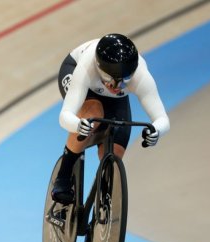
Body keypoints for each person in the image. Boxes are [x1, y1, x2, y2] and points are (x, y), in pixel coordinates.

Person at [52, 33, 170, 205]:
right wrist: (78, 124)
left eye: (124, 81)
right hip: (77, 74)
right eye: (111, 81)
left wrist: (156, 131)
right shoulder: (86, 67)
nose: (117, 87)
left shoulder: (140, 75)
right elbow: (65, 115)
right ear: (100, 69)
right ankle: (63, 176)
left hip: (114, 100)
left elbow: (161, 118)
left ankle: (103, 198)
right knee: (92, 114)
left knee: (116, 152)